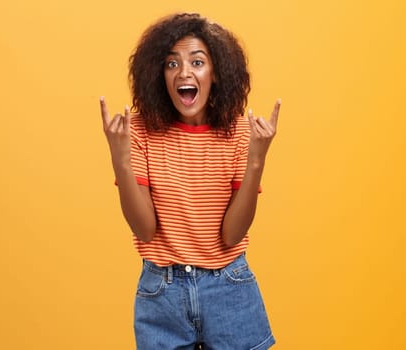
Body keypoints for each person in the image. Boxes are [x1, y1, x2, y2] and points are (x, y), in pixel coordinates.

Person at [99, 13, 280, 349]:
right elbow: (145, 230)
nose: (184, 72)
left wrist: (257, 160)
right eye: (171, 64)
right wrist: (120, 160)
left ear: (216, 74)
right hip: (162, 292)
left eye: (197, 62)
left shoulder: (241, 133)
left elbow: (231, 235)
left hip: (228, 286)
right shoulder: (138, 131)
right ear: (158, 75)